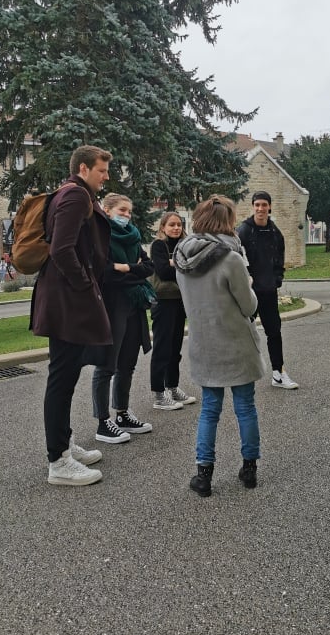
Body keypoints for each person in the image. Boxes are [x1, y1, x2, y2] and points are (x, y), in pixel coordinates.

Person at [30, 145, 113, 486]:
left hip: (64, 297)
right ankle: (58, 462)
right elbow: (61, 249)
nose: (106, 176)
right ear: (83, 168)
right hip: (66, 299)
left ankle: (63, 444)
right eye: (102, 170)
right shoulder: (75, 196)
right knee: (62, 378)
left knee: (66, 375)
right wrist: (85, 285)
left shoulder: (73, 194)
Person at [174, 195, 265, 497]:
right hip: (235, 342)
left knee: (209, 410)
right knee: (245, 407)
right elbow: (249, 305)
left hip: (203, 341)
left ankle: (203, 474)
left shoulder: (181, 257)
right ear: (227, 222)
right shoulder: (231, 258)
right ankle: (249, 468)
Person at [89, 194, 155, 444]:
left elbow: (149, 267)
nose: (126, 215)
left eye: (129, 211)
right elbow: (103, 272)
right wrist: (132, 269)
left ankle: (122, 413)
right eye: (122, 210)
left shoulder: (135, 237)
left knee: (127, 364)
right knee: (106, 364)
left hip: (134, 306)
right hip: (112, 305)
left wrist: (124, 267)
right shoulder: (101, 237)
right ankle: (103, 422)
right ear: (106, 210)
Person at [237, 191, 298, 390]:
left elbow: (280, 258)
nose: (261, 209)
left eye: (264, 205)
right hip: (250, 292)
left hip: (269, 290)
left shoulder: (275, 232)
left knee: (274, 332)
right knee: (245, 332)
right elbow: (237, 259)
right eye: (257, 205)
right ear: (253, 206)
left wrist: (277, 279)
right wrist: (246, 280)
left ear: (269, 207)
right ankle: (243, 374)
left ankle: (279, 373)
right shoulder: (244, 231)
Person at [149, 211, 194, 409]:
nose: (176, 228)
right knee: (162, 348)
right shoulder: (159, 245)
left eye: (179, 224)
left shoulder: (185, 245)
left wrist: (174, 263)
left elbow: (193, 268)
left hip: (180, 300)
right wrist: (179, 264)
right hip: (163, 300)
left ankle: (173, 387)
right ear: (163, 227)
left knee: (175, 348)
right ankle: (159, 394)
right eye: (172, 225)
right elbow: (163, 271)